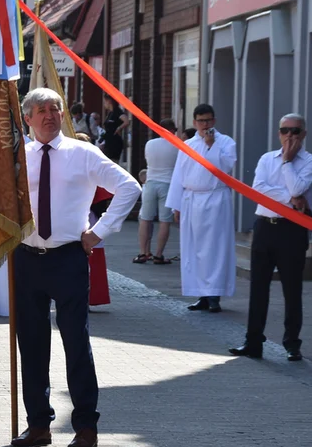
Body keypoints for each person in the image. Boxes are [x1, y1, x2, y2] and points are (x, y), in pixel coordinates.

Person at [10, 88, 140, 447]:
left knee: (75, 343)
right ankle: (38, 424)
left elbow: (129, 187)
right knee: (32, 345)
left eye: (55, 109)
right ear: (28, 118)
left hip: (67, 257)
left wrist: (99, 232)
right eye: (41, 111)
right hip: (26, 256)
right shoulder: (18, 155)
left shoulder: (82, 153)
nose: (49, 116)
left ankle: (85, 426)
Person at [230, 114, 312, 361]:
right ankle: (253, 341)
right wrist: (289, 199)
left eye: (295, 131)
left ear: (304, 134)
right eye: (284, 130)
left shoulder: (311, 162)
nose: (289, 135)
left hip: (292, 230)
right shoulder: (265, 158)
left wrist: (287, 163)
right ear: (278, 133)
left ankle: (292, 343)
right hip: (264, 228)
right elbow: (258, 191)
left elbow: (297, 189)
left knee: (292, 289)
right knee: (258, 287)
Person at [166, 104, 237, 313]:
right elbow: (179, 174)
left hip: (215, 199)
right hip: (191, 199)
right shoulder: (187, 145)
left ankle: (214, 294)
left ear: (214, 121)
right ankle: (201, 293)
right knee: (194, 249)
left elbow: (224, 168)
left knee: (215, 249)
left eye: (208, 120)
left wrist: (211, 145)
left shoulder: (225, 143)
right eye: (201, 121)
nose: (205, 125)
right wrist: (176, 205)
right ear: (195, 123)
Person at [135, 119, 179, 265]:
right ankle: (159, 255)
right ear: (172, 130)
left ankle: (142, 253)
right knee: (164, 221)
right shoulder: (177, 145)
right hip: (168, 184)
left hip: (151, 182)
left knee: (145, 219)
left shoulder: (150, 144)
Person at [99, 97, 129, 163]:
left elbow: (126, 121)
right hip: (108, 142)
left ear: (109, 101)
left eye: (105, 102)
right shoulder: (110, 113)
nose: (104, 104)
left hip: (114, 142)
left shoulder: (117, 112)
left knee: (112, 162)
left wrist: (119, 128)